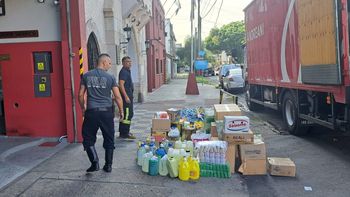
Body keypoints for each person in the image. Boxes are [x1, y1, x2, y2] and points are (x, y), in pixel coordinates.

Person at [78, 53, 124, 173]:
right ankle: (108, 166)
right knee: (109, 138)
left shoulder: (86, 75)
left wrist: (83, 107)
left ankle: (95, 162)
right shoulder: (110, 77)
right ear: (103, 62)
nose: (109, 65)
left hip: (91, 112)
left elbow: (80, 94)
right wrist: (121, 111)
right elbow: (118, 97)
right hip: (107, 112)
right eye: (109, 63)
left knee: (88, 137)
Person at [118, 56, 136, 139]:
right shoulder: (124, 72)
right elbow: (121, 85)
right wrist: (126, 97)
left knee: (127, 114)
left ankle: (123, 132)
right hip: (126, 98)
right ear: (123, 63)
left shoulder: (127, 71)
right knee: (128, 114)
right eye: (127, 61)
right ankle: (125, 133)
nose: (129, 63)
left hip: (128, 97)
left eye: (130, 61)